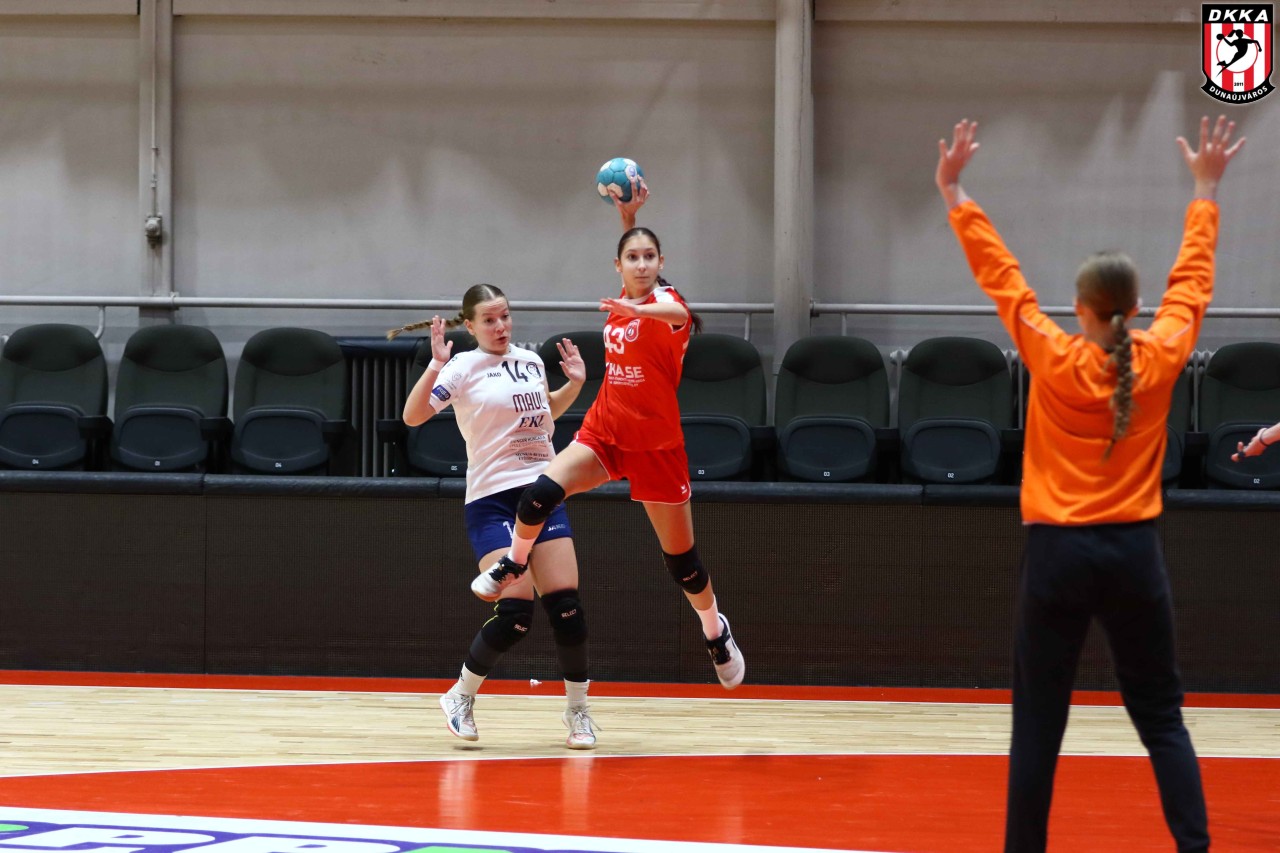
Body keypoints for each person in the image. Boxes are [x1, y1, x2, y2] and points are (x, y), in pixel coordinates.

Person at [936, 115, 1244, 853]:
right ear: (1134, 310)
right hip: (1135, 555)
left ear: (1078, 309)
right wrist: (1205, 190)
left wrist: (954, 191)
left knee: (1038, 726)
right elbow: (1192, 285)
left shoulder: (1051, 353)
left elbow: (1002, 277)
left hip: (1056, 557)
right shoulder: (1161, 355)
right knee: (1161, 717)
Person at [467, 178, 745, 691]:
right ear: (618, 266)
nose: (641, 264)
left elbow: (677, 311)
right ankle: (512, 563)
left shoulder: (665, 307)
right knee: (540, 493)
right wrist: (628, 218)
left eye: (649, 257)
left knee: (683, 564)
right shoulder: (627, 295)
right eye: (632, 258)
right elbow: (632, 267)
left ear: (661, 263)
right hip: (606, 430)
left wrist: (639, 309)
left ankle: (714, 629)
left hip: (656, 447)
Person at [393, 284, 599, 749]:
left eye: (505, 316)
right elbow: (412, 416)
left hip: (542, 491)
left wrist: (574, 385)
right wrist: (435, 365)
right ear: (470, 326)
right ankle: (460, 696)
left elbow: (543, 415)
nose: (500, 326)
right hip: (492, 500)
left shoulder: (530, 361)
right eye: (489, 320)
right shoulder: (462, 367)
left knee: (567, 608)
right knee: (516, 612)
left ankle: (578, 711)